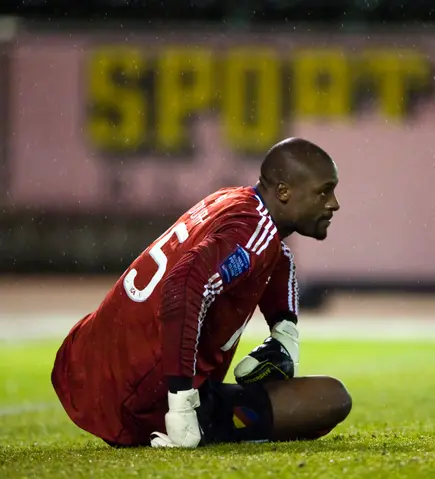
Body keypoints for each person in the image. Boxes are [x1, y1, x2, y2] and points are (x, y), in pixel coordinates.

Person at [51, 137, 351, 448]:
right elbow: (182, 288)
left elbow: (274, 254)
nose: (333, 203)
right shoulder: (252, 233)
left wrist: (284, 333)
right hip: (140, 401)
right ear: (284, 192)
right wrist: (181, 402)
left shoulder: (233, 200)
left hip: (83, 365)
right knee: (332, 399)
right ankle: (191, 417)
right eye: (323, 191)